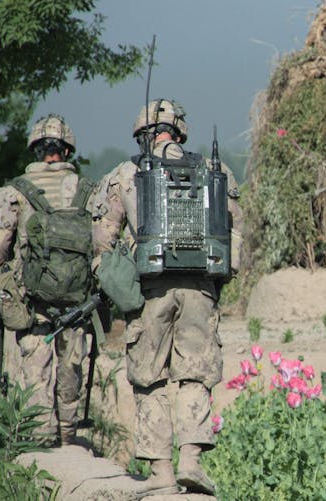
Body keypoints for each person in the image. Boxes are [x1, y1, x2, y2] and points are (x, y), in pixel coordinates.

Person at [92, 99, 242, 496]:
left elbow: (103, 240)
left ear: (142, 134)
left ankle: (160, 473)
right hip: (201, 289)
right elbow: (234, 231)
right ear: (179, 132)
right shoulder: (214, 169)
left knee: (149, 378)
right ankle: (191, 462)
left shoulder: (125, 174)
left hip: (149, 291)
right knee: (196, 373)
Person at [0, 114, 93, 447]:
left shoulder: (13, 191)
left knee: (36, 361)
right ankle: (70, 433)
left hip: (34, 296)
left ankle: (41, 436)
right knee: (71, 361)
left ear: (36, 150)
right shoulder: (87, 189)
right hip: (77, 296)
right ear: (68, 151)